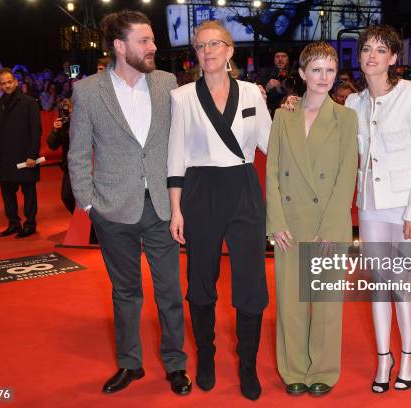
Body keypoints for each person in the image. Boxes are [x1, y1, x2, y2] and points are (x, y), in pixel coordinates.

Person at [68, 10, 191, 396]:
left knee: (169, 291)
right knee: (125, 293)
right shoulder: (88, 91)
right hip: (112, 210)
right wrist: (89, 206)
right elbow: (77, 153)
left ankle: (175, 364)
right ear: (120, 47)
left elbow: (185, 137)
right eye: (144, 40)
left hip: (160, 208)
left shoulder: (168, 83)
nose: (154, 47)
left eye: (153, 39)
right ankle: (130, 364)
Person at [167, 20, 271, 401]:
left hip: (244, 189)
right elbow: (175, 156)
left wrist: (293, 110)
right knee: (200, 282)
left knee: (251, 284)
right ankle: (206, 355)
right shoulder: (181, 98)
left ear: (230, 51)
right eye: (200, 46)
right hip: (200, 192)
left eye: (215, 44)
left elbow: (271, 145)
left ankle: (248, 364)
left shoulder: (251, 94)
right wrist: (176, 210)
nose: (207, 51)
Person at [345, 25, 411, 393]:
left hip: (404, 206)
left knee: (400, 284)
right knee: (378, 284)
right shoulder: (353, 102)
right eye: (367, 49)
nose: (371, 55)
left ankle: (409, 353)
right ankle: (385, 357)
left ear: (394, 58)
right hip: (370, 204)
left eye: (381, 50)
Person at [266, 42, 358, 396]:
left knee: (325, 307)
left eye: (330, 70)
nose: (324, 77)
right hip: (290, 223)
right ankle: (292, 370)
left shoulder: (346, 117)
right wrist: (275, 221)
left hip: (326, 224)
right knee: (291, 305)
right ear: (302, 73)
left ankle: (323, 370)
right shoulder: (283, 115)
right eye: (316, 70)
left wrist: (333, 228)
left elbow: (346, 174)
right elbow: (272, 171)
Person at [0, 68, 42, 239]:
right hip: (5, 157)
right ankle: (13, 223)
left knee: (28, 192)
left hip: (25, 156)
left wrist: (32, 155)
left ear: (15, 82)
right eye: (3, 83)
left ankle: (30, 224)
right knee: (7, 192)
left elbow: (36, 131)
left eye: (9, 82)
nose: (7, 85)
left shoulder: (29, 102)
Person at [47, 98, 75, 213]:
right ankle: (81, 221)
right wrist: (55, 130)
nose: (67, 113)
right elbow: (52, 146)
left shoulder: (85, 122)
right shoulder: (62, 125)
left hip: (87, 165)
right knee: (67, 197)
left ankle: (91, 226)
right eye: (64, 111)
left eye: (69, 110)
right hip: (69, 166)